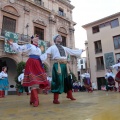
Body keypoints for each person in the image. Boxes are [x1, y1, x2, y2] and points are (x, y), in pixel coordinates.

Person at [8, 34, 49, 107]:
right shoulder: (30, 46)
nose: (37, 39)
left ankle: (32, 99)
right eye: (35, 37)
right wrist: (13, 44)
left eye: (38, 38)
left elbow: (41, 57)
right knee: (33, 81)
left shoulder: (39, 49)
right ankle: (36, 100)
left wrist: (47, 53)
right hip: (31, 63)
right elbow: (20, 48)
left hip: (38, 64)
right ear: (32, 39)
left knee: (36, 83)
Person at [46, 34, 84, 104]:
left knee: (68, 80)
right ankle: (55, 98)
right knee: (58, 80)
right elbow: (46, 54)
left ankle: (69, 95)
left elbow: (72, 51)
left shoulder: (64, 48)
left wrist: (80, 50)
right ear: (55, 39)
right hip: (57, 65)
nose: (60, 37)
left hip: (65, 65)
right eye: (58, 37)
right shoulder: (52, 47)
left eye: (60, 37)